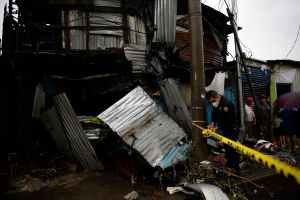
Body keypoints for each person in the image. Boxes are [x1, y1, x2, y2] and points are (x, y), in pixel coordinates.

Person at [206, 90, 240, 174]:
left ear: (216, 97)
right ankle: (230, 167)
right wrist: (212, 123)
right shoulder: (217, 104)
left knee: (232, 149)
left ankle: (237, 169)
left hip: (232, 130)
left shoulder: (227, 105)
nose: (212, 104)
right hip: (226, 130)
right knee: (227, 149)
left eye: (213, 101)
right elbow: (214, 114)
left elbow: (230, 121)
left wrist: (217, 128)